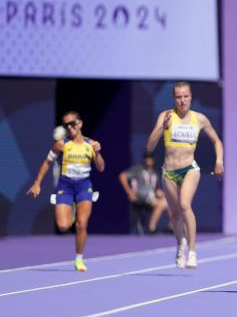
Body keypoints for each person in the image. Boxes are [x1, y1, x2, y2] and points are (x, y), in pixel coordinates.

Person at [144, 82, 223, 267]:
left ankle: (193, 252)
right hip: (169, 171)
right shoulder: (166, 116)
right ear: (174, 99)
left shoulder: (200, 118)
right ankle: (181, 245)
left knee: (185, 204)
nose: (182, 100)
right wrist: (161, 128)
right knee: (175, 215)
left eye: (186, 96)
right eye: (179, 97)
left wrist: (219, 161)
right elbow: (149, 147)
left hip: (189, 168)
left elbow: (217, 141)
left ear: (191, 97)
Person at [26, 111, 105, 271]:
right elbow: (47, 162)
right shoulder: (61, 144)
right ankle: (72, 209)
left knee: (82, 225)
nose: (70, 127)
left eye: (72, 123)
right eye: (66, 125)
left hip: (83, 186)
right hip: (65, 187)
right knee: (63, 226)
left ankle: (79, 259)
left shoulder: (91, 144)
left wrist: (97, 153)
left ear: (80, 123)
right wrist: (37, 183)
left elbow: (101, 168)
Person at [119, 153, 168, 235]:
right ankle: (151, 228)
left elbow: (156, 188)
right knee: (162, 204)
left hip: (151, 197)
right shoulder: (137, 169)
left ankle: (171, 227)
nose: (149, 160)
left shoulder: (154, 173)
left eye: (151, 158)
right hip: (140, 197)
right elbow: (122, 176)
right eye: (147, 158)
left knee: (171, 202)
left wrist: (159, 192)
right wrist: (129, 192)